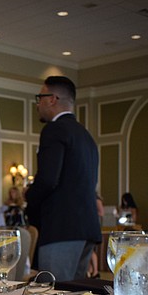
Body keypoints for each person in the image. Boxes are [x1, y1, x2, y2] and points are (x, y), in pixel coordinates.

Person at [24, 76, 101, 281]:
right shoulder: (85, 135)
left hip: (62, 227)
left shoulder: (54, 130)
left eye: (40, 97)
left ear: (52, 99)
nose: (38, 103)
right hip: (87, 228)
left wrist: (28, 197)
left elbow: (48, 179)